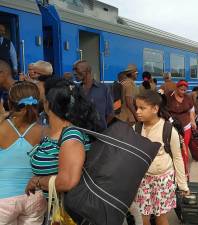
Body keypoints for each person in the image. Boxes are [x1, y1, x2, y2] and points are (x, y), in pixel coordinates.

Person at [25, 78, 100, 213]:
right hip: (55, 210)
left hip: (68, 214)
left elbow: (67, 181)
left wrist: (37, 181)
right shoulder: (56, 132)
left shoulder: (71, 136)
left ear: (48, 104)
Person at [133, 90, 190, 225]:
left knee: (161, 218)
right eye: (136, 108)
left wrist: (183, 185)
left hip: (163, 181)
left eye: (142, 108)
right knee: (144, 217)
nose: (137, 112)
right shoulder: (135, 129)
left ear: (155, 109)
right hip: (143, 181)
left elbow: (177, 158)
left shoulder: (168, 130)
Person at [0, 81, 47, 224]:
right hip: (35, 197)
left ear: (10, 102)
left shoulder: (1, 127)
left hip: (3, 198)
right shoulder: (44, 130)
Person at [73, 60, 114, 130]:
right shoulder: (76, 90)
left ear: (87, 71)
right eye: (74, 71)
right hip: (82, 133)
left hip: (100, 133)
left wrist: (101, 127)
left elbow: (110, 113)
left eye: (77, 70)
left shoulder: (104, 89)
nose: (74, 73)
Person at [166, 80, 196, 150]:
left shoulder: (187, 97)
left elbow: (191, 110)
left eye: (185, 90)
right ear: (176, 88)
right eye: (181, 90)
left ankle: (184, 160)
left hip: (186, 125)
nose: (183, 92)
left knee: (184, 145)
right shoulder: (169, 95)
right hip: (173, 125)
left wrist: (193, 121)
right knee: (175, 146)